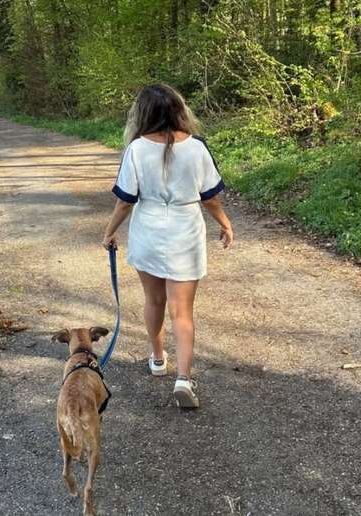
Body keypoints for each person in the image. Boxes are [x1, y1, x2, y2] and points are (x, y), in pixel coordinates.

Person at [102, 84, 233, 408]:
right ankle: (184, 379)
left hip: (148, 230)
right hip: (185, 231)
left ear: (142, 114)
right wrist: (225, 224)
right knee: (182, 311)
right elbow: (211, 198)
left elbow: (124, 202)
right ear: (179, 110)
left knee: (153, 300)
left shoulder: (136, 149)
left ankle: (158, 359)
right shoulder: (197, 147)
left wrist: (109, 232)